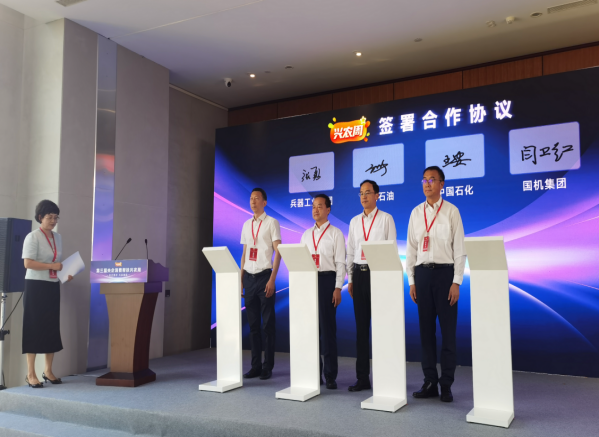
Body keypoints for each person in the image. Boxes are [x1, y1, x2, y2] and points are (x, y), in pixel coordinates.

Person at [406, 166, 466, 403]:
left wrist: (456, 281)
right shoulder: (415, 213)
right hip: (422, 276)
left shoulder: (451, 211)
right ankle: (430, 381)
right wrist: (412, 281)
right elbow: (411, 249)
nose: (428, 183)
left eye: (432, 179)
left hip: (445, 276)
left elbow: (459, 249)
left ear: (442, 184)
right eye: (424, 180)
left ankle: (446, 384)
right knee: (426, 333)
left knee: (448, 333)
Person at [346, 180, 397, 392]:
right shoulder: (354, 221)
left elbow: (391, 251)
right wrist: (350, 279)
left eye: (368, 192)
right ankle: (362, 378)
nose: (364, 196)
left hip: (378, 275)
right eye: (361, 193)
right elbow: (350, 251)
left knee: (382, 327)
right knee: (361, 329)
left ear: (377, 195)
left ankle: (385, 376)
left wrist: (388, 280)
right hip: (359, 274)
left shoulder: (386, 219)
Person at [22, 200, 73, 388]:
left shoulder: (57, 238)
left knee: (51, 327)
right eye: (49, 217)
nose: (53, 221)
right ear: (40, 217)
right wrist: (52, 266)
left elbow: (57, 263)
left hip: (52, 285)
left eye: (55, 217)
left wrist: (65, 274)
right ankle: (30, 374)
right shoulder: (32, 237)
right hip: (35, 286)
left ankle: (48, 371)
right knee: (34, 327)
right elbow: (28, 263)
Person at [300, 194, 346, 389]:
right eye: (313, 206)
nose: (315, 210)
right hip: (309, 281)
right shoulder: (306, 235)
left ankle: (330, 375)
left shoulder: (336, 233)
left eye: (320, 206)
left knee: (327, 331)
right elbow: (301, 261)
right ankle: (313, 372)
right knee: (311, 331)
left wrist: (338, 287)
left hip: (328, 281)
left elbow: (341, 262)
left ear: (328, 209)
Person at [240, 188, 282, 380]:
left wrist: (272, 279)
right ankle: (255, 366)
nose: (253, 201)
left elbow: (278, 252)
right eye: (251, 198)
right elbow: (245, 252)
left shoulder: (272, 222)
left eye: (257, 198)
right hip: (249, 278)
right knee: (253, 326)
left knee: (268, 325)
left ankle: (267, 366)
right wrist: (241, 278)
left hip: (265, 277)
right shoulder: (246, 224)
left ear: (264, 202)